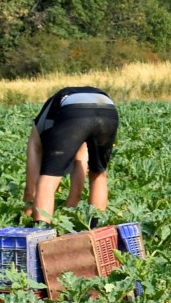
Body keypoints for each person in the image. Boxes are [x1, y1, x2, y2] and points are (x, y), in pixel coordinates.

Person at [23, 86, 119, 223]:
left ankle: (39, 235)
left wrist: (25, 217)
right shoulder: (55, 117)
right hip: (108, 108)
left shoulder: (37, 133)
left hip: (74, 111)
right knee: (98, 173)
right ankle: (95, 230)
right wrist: (67, 219)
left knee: (48, 180)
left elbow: (30, 190)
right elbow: (79, 166)